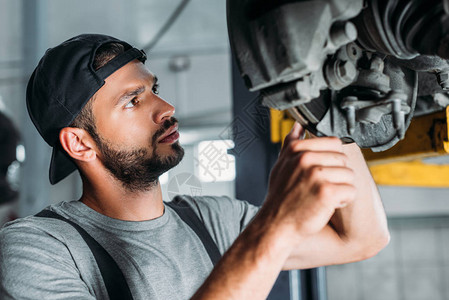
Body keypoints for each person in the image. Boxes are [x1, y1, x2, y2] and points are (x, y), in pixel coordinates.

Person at [0, 34, 389, 299]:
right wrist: (276, 225)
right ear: (80, 143)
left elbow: (362, 239)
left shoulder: (212, 219)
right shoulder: (37, 250)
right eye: (133, 101)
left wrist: (327, 106)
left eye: (154, 90)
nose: (166, 109)